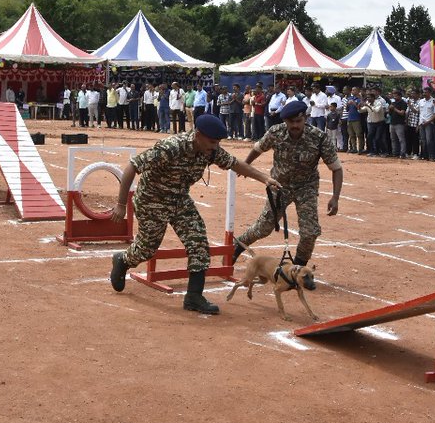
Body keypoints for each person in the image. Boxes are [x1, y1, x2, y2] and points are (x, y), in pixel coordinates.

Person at [108, 114, 281, 315]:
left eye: (217, 143)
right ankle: (123, 259)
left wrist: (265, 179)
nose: (215, 147)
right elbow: (132, 167)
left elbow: (234, 163)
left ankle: (194, 297)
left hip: (180, 199)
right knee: (146, 249)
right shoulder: (171, 148)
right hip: (151, 200)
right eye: (212, 142)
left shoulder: (210, 149)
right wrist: (121, 204)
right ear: (198, 135)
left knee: (198, 242)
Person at [232, 100, 343, 290]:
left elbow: (336, 169)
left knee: (310, 233)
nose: (294, 126)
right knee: (264, 228)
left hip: (306, 188)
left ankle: (296, 271)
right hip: (279, 186)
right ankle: (238, 246)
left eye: (298, 121)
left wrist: (335, 197)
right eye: (290, 122)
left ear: (305, 118)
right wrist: (246, 167)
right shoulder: (276, 132)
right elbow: (257, 149)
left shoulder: (319, 137)